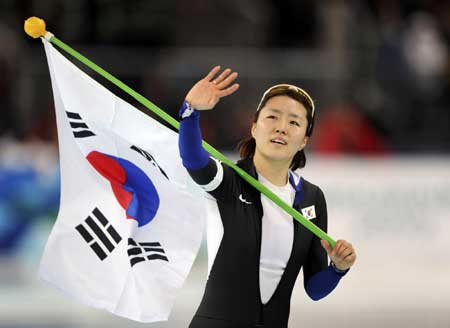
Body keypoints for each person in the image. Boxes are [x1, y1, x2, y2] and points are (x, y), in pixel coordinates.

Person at [178, 66, 357, 328]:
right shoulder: (229, 180)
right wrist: (190, 111)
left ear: (304, 140)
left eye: (294, 122)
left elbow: (315, 289)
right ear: (253, 127)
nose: (281, 128)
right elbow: (193, 159)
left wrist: (338, 268)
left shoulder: (311, 198)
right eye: (272, 117)